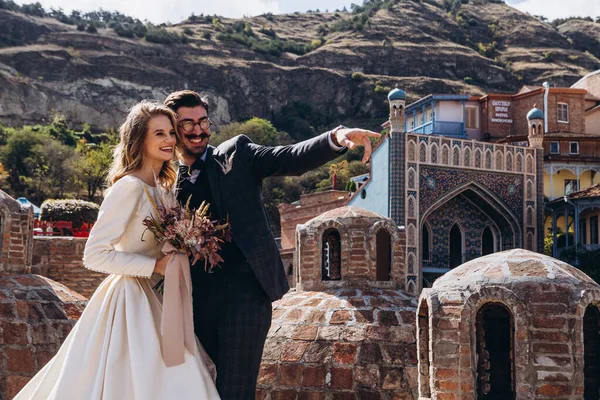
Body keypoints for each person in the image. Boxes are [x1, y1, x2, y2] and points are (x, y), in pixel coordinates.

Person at [165, 90, 380, 400]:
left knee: (234, 390)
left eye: (203, 121)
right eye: (187, 124)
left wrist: (336, 136)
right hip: (192, 299)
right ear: (173, 128)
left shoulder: (236, 154)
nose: (198, 130)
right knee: (196, 389)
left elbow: (290, 157)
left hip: (244, 295)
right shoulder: (165, 180)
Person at [14, 101, 220, 400]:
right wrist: (154, 267)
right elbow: (95, 254)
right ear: (140, 140)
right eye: (159, 133)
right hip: (131, 302)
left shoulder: (164, 191)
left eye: (171, 133)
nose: (169, 140)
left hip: (162, 298)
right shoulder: (130, 187)